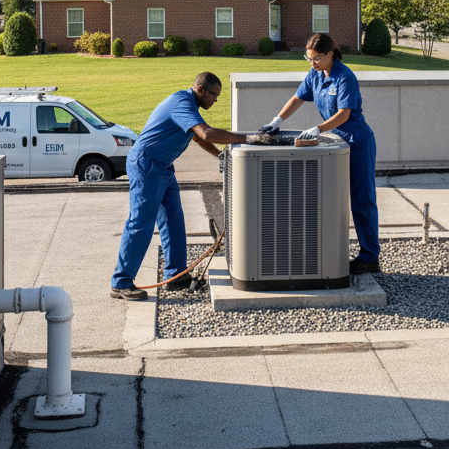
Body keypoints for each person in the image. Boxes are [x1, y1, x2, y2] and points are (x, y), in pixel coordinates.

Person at [111, 72, 246, 300]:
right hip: (146, 165)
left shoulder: (189, 105)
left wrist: (218, 155)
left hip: (162, 167)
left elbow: (195, 136)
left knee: (174, 221)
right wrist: (248, 139)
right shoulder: (182, 102)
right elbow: (205, 132)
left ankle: (176, 276)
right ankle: (121, 282)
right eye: (213, 94)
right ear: (200, 90)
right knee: (141, 223)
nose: (215, 100)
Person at [259, 32, 380, 274]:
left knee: (362, 199)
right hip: (334, 141)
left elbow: (344, 114)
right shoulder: (315, 75)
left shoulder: (345, 77)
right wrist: (277, 121)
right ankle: (327, 250)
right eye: (308, 58)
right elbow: (298, 98)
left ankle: (369, 257)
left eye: (316, 59)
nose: (312, 63)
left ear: (330, 55)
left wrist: (317, 128)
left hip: (357, 140)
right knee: (329, 198)